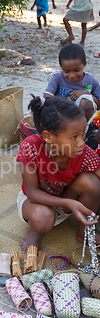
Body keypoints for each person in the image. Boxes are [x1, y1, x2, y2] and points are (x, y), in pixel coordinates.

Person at [17, 95, 100, 252]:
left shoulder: (83, 153)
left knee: (93, 183)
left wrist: (68, 202)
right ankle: (35, 230)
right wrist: (68, 203)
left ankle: (84, 232)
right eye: (74, 136)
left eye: (83, 132)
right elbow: (32, 193)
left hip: (65, 198)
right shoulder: (31, 147)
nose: (82, 141)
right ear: (48, 137)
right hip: (36, 201)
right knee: (43, 219)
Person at [44, 44, 100, 123]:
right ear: (61, 67)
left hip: (80, 119)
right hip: (60, 116)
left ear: (84, 64)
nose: (72, 75)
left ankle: (80, 130)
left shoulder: (91, 80)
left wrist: (86, 93)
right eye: (66, 71)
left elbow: (98, 105)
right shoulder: (57, 77)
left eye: (77, 70)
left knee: (86, 102)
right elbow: (47, 97)